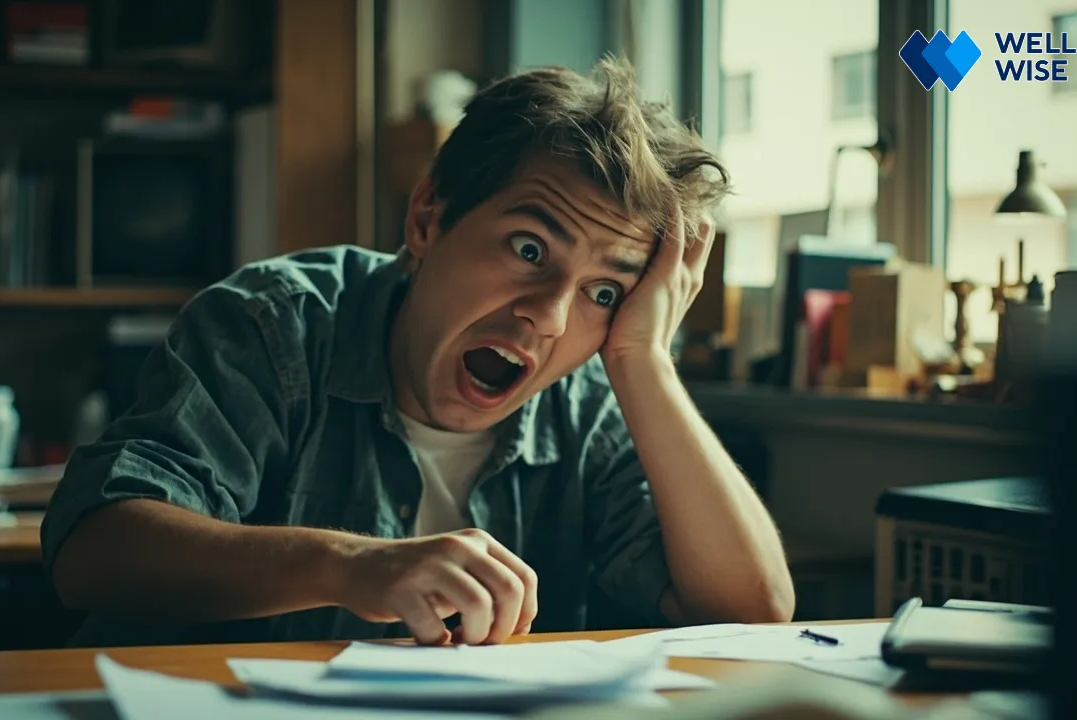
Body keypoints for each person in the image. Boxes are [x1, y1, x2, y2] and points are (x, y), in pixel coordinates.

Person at [42, 57, 794, 648]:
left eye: (604, 291)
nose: (548, 317)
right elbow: (92, 550)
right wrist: (350, 565)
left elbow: (755, 613)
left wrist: (645, 360)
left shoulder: (592, 397)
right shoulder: (274, 324)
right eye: (530, 248)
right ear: (430, 217)